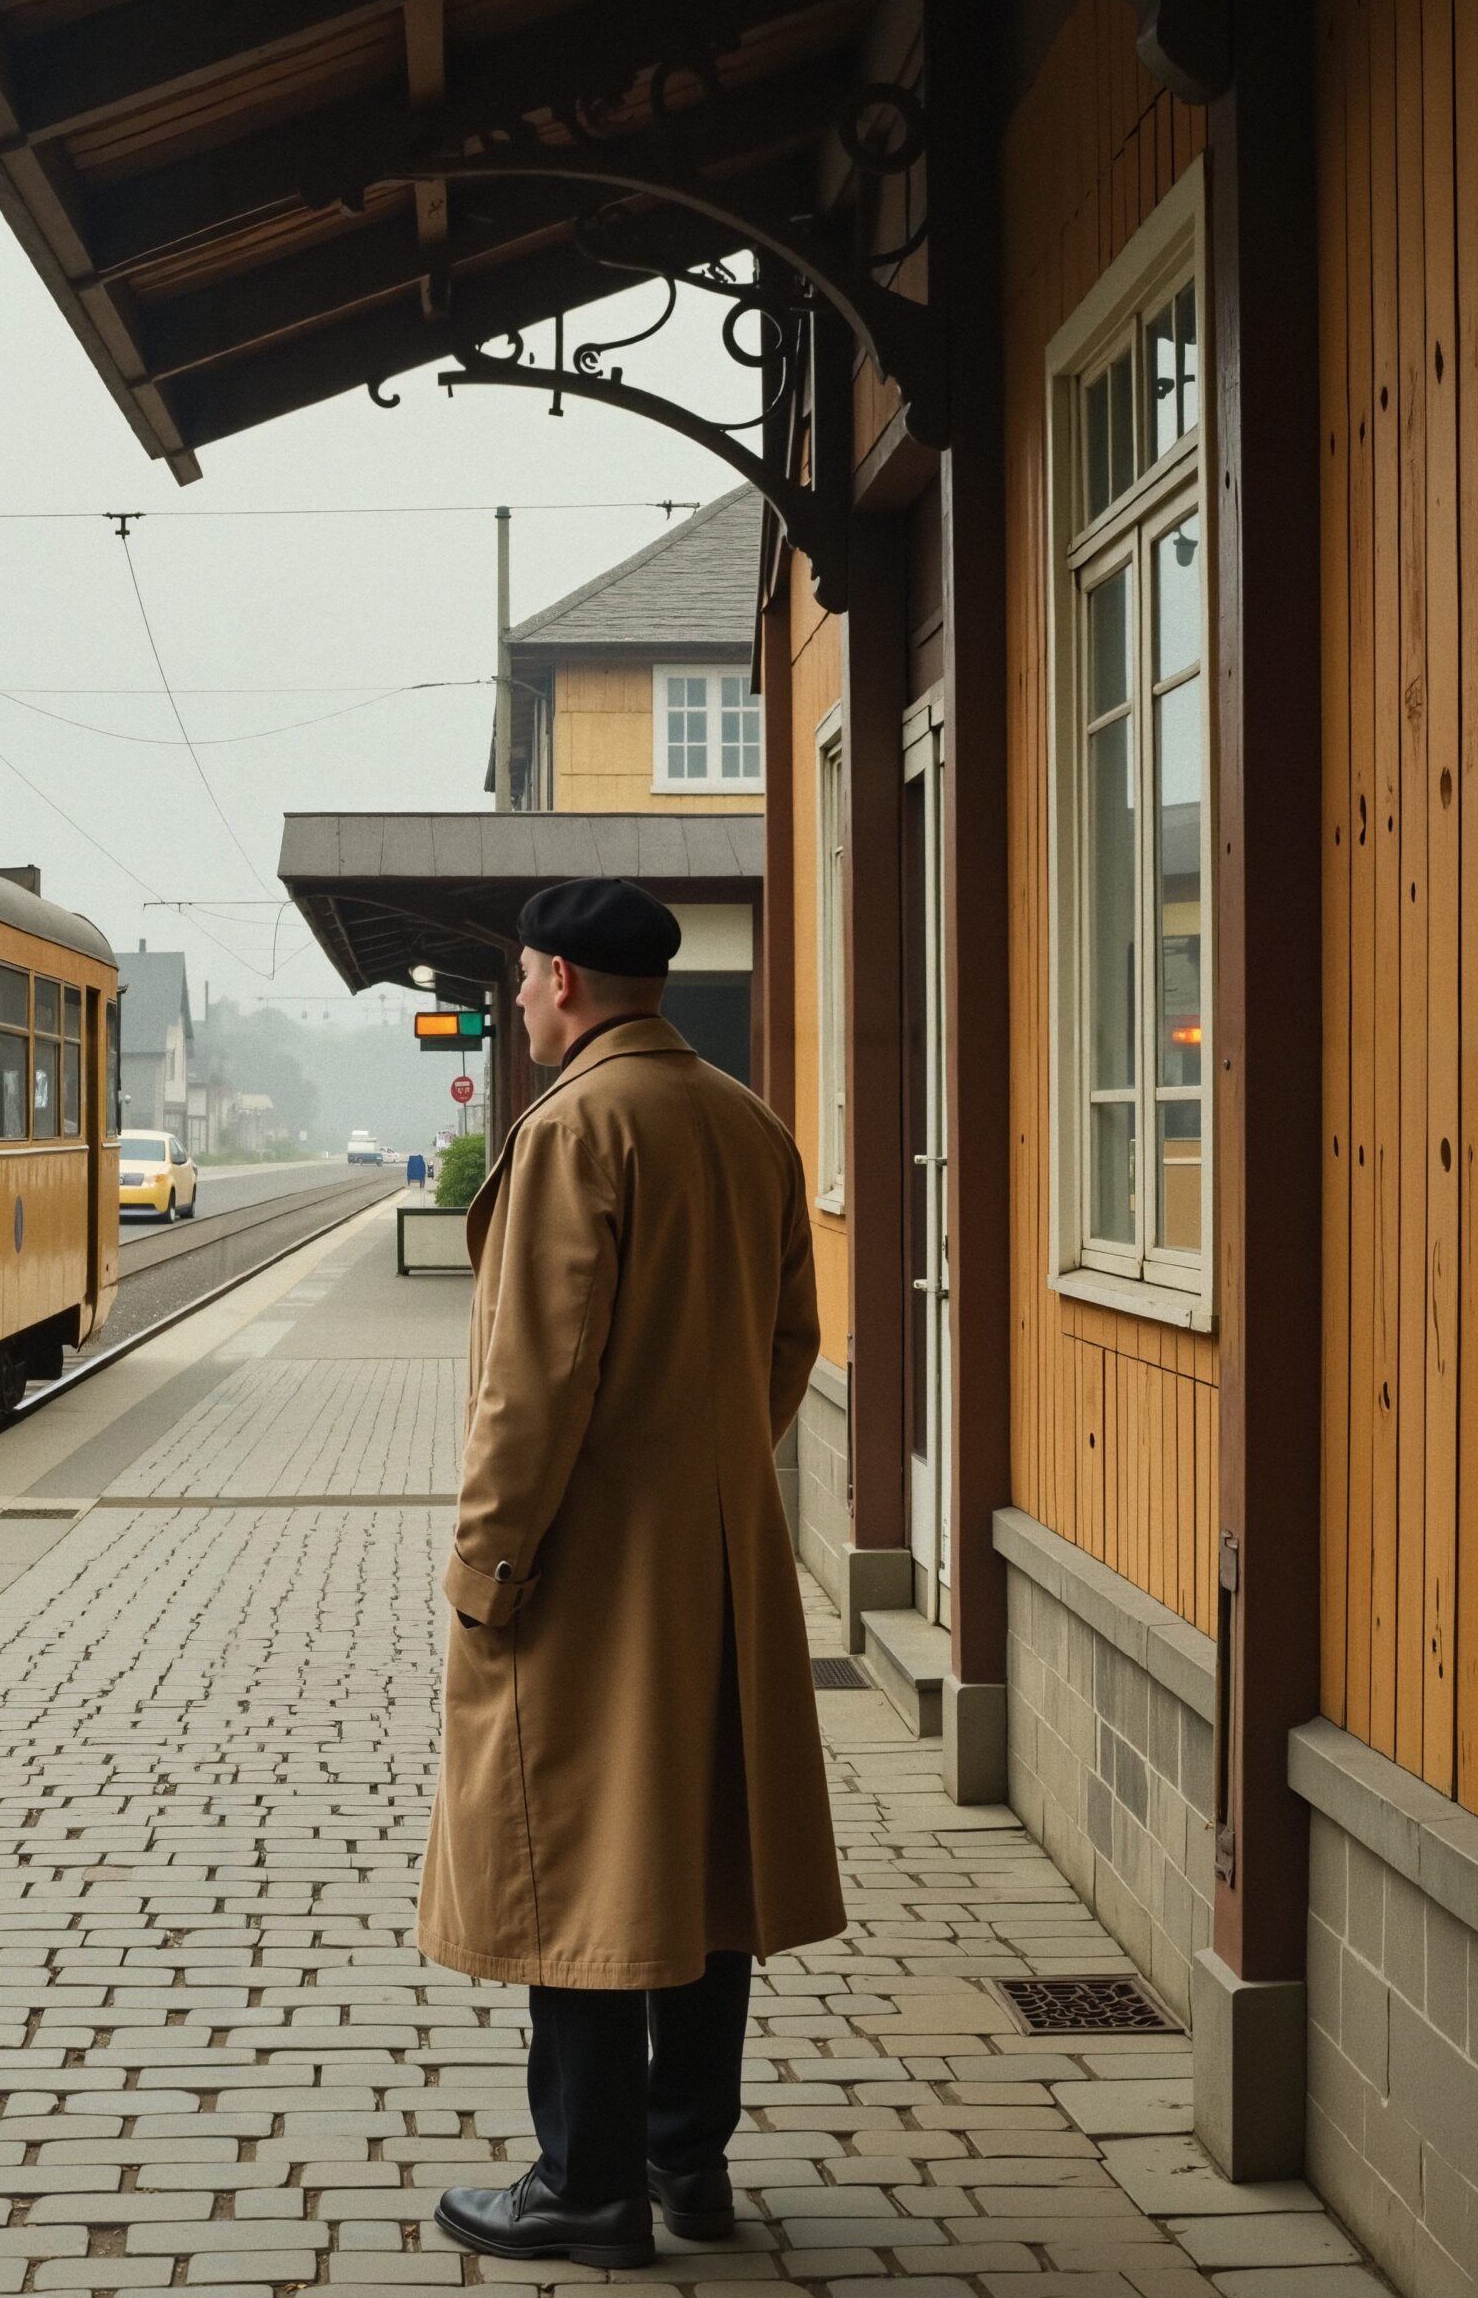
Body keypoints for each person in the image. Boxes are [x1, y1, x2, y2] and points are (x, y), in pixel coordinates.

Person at [420, 876, 844, 2270]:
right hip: (721, 1556)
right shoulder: (746, 1123)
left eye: (528, 983)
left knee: (582, 1864)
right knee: (702, 1862)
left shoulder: (576, 1128)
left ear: (558, 981)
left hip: (585, 1569)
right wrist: (704, 1465)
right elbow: (790, 1344)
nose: (526, 1004)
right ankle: (686, 2164)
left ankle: (583, 2189)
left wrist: (490, 1562)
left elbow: (533, 1384)